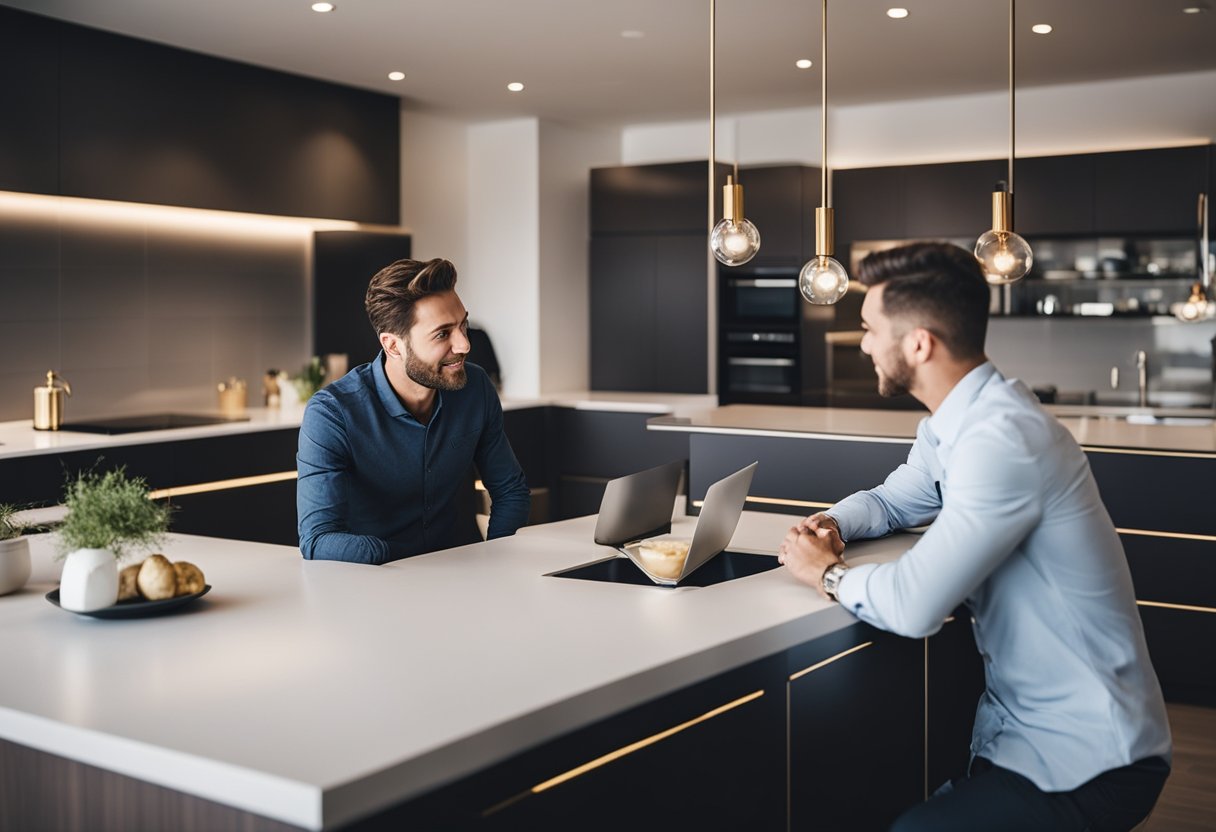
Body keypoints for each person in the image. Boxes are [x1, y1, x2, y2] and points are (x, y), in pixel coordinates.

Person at [777, 243, 1171, 831]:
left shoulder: (1002, 439)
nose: (861, 344)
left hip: (1092, 756)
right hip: (1020, 736)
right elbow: (891, 501)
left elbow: (913, 606)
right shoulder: (955, 425)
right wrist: (829, 526)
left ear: (918, 343)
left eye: (868, 329)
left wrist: (825, 573)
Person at [297, 258, 529, 564]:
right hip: (375, 589)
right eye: (443, 334)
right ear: (393, 346)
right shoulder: (332, 414)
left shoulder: (476, 388)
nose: (464, 345)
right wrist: (409, 561)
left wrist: (495, 561)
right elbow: (318, 539)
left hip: (467, 579)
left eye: (463, 325)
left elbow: (510, 491)